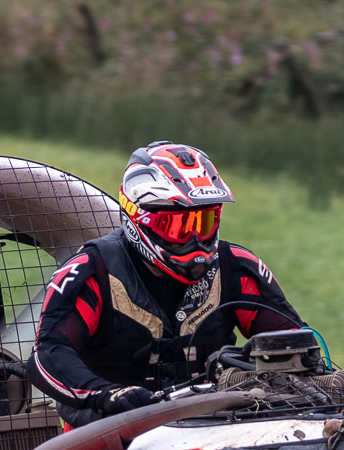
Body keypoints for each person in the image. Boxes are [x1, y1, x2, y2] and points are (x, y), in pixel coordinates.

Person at [27, 141, 308, 427]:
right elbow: (48, 354)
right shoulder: (92, 270)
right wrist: (106, 395)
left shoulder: (236, 267)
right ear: (140, 219)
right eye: (179, 228)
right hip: (108, 435)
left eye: (204, 223)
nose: (194, 240)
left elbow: (295, 342)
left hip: (215, 428)